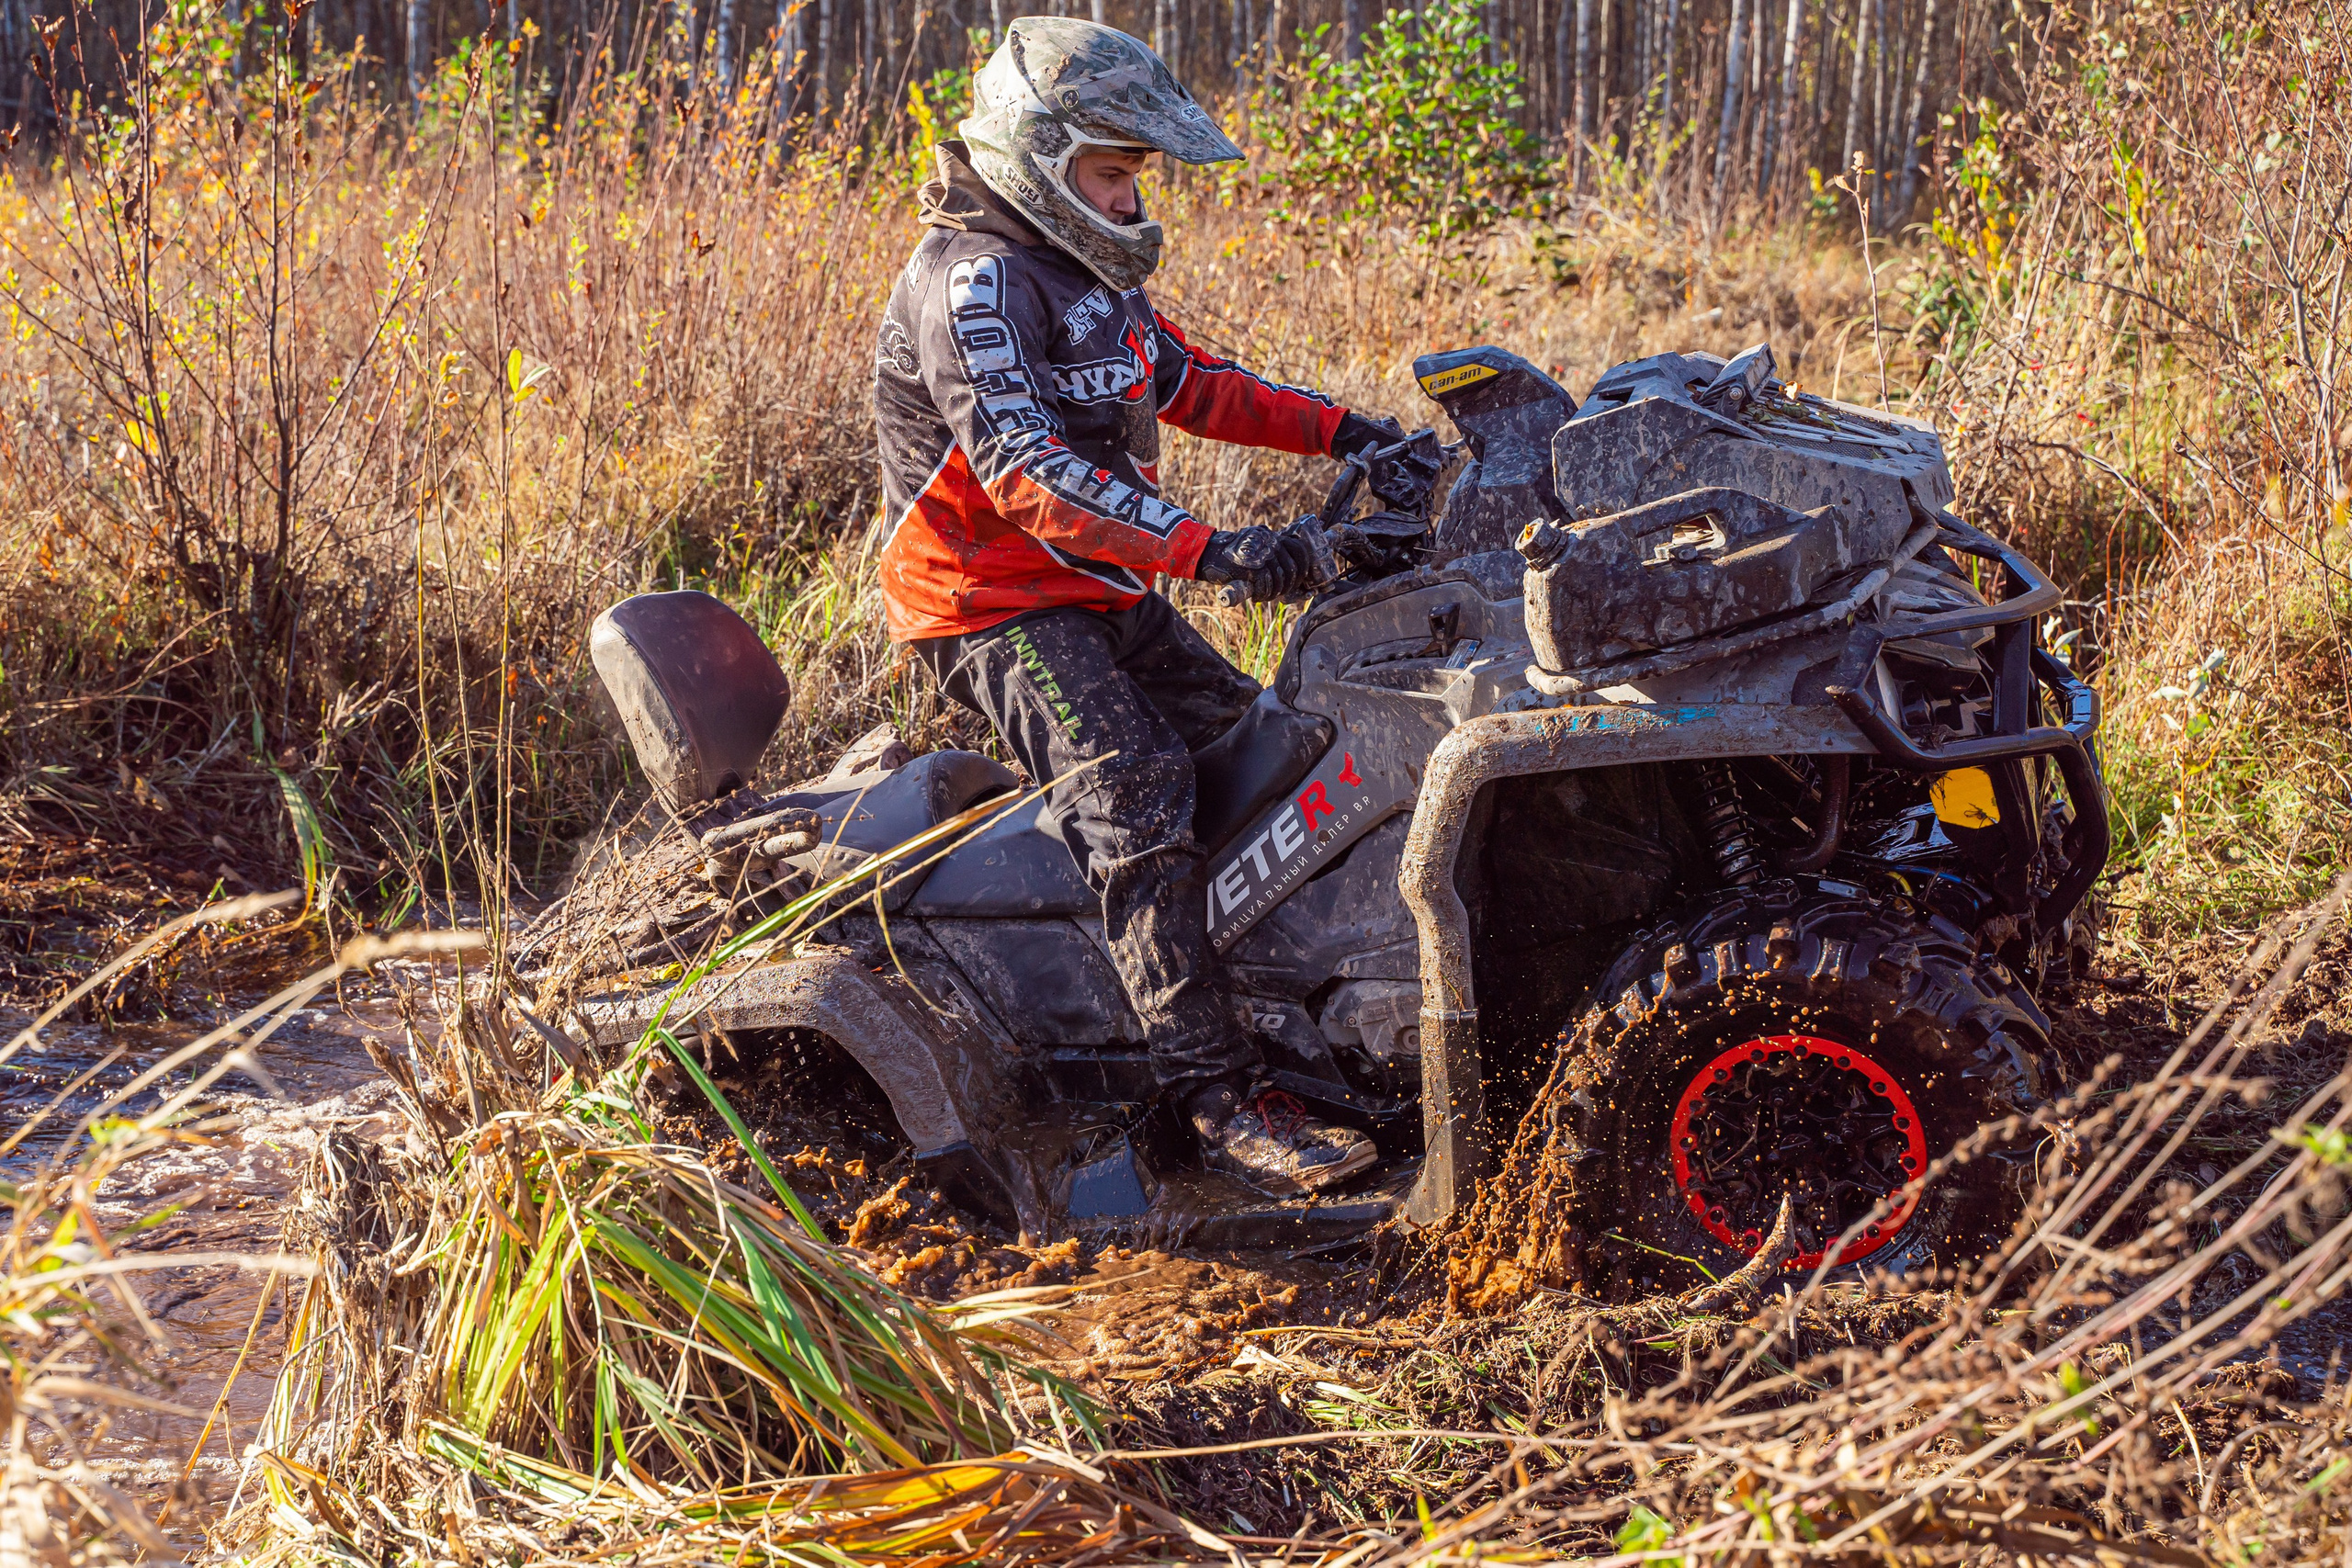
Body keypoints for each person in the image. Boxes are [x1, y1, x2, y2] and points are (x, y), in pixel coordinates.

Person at [873, 16, 1400, 1197]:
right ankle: (1205, 1096)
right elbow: (1025, 468)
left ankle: (1282, 1011)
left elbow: (1194, 381)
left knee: (1277, 752)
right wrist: (1220, 552)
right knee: (1134, 784)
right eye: (1110, 174)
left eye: (1130, 177)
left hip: (1094, 582)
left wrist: (1353, 432)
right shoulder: (973, 285)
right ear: (1040, 161)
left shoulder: (1084, 274)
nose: (1127, 199)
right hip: (988, 601)